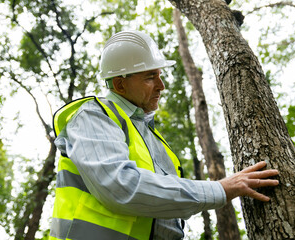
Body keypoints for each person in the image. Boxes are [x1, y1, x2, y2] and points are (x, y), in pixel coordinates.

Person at [49, 30, 279, 240]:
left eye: (159, 75)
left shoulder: (149, 137)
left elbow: (165, 213)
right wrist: (220, 189)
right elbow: (121, 187)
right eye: (150, 77)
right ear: (119, 85)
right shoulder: (94, 116)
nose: (161, 85)